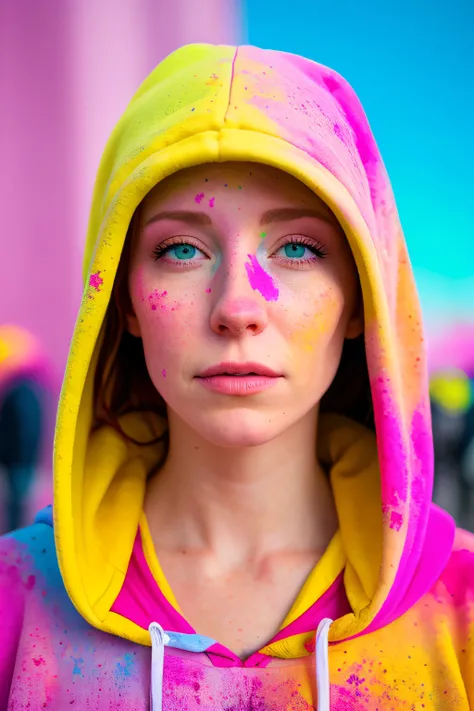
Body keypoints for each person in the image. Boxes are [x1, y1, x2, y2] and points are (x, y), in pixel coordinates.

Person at [0, 43, 472, 710]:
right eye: (182, 249)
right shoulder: (11, 604)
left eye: (298, 248)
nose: (237, 308)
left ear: (361, 296)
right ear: (124, 297)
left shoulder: (462, 608)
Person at [0, 325, 48, 534]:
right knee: (15, 504)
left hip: (18, 461)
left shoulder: (21, 391)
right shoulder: (28, 389)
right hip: (20, 460)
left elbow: (24, 430)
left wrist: (21, 458)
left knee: (16, 504)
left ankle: (12, 536)